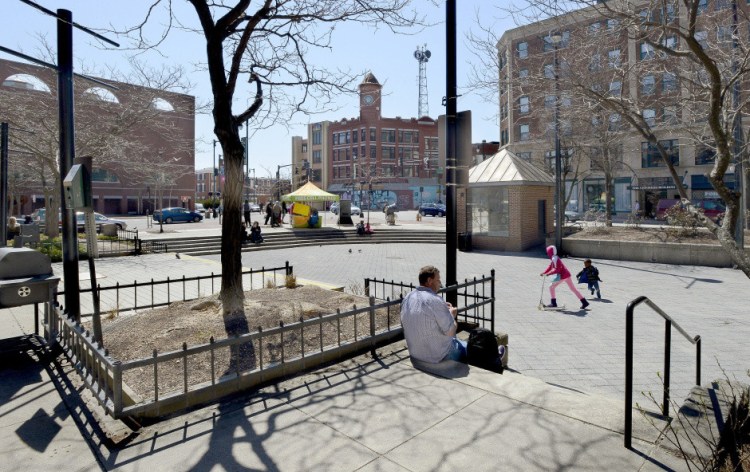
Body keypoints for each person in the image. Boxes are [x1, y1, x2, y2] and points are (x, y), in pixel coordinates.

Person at [400, 266, 467, 363]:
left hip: (415, 354)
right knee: (470, 348)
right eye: (438, 280)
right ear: (429, 280)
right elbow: (451, 332)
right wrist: (452, 315)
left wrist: (442, 308)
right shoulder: (435, 300)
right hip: (438, 356)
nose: (440, 284)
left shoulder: (408, 297)